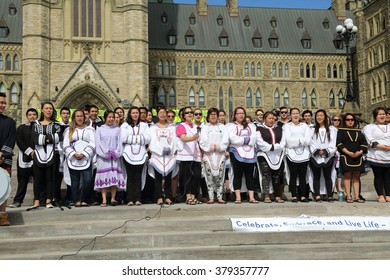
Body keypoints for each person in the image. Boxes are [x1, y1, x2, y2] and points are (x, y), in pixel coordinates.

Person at [30, 102, 62, 209]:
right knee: (38, 178)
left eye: (51, 109)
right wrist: (49, 139)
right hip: (38, 154)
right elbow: (34, 138)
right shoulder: (35, 124)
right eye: (46, 108)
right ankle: (37, 200)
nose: (49, 110)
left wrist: (42, 139)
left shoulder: (56, 125)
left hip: (52, 154)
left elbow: (58, 137)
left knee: (50, 178)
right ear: (42, 110)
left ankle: (49, 200)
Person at [63, 110, 96, 207]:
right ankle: (76, 200)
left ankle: (84, 199)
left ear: (84, 117)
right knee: (75, 180)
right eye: (77, 116)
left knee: (88, 179)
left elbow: (93, 143)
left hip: (86, 158)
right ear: (74, 118)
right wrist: (73, 154)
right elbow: (66, 144)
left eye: (81, 116)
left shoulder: (90, 130)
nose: (79, 118)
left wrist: (84, 153)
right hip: (73, 158)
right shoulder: (69, 130)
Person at [94, 110, 125, 207]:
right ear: (105, 118)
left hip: (114, 157)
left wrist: (116, 152)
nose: (111, 119)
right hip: (104, 157)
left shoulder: (118, 129)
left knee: (113, 177)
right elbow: (98, 142)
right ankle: (104, 199)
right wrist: (106, 152)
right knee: (104, 177)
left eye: (113, 117)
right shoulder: (99, 129)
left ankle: (113, 198)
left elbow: (119, 142)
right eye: (109, 117)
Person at [227, 106, 258, 204]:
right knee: (237, 174)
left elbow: (253, 138)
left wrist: (242, 140)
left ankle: (251, 197)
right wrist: (246, 140)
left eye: (242, 113)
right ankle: (238, 197)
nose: (241, 115)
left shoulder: (251, 126)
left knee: (249, 175)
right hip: (236, 152)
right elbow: (233, 139)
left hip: (249, 153)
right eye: (238, 113)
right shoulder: (231, 126)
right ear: (235, 115)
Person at [121, 106, 151, 206]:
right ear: (130, 114)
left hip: (141, 153)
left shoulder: (144, 125)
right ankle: (129, 199)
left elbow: (147, 138)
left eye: (137, 113)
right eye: (133, 113)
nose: (135, 115)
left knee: (138, 176)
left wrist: (132, 139)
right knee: (130, 176)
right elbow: (123, 138)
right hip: (128, 154)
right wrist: (139, 139)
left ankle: (138, 198)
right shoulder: (125, 125)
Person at [199, 108, 229, 204]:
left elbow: (226, 140)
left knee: (220, 176)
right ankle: (211, 197)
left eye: (215, 114)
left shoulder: (223, 127)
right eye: (211, 114)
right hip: (208, 155)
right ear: (208, 116)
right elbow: (202, 141)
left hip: (220, 154)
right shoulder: (205, 127)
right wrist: (209, 147)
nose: (213, 116)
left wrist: (219, 147)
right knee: (209, 176)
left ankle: (219, 196)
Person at [148, 107, 177, 205]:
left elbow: (174, 140)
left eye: (164, 113)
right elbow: (152, 141)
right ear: (157, 115)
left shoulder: (172, 127)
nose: (163, 114)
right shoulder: (153, 128)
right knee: (158, 177)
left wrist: (170, 149)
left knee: (168, 176)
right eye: (160, 112)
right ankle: (159, 197)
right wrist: (160, 150)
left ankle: (168, 196)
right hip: (158, 155)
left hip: (169, 155)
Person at [9, 108, 38, 208]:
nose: (32, 116)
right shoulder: (21, 128)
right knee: (22, 181)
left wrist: (36, 151)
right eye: (30, 114)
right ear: (27, 116)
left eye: (34, 114)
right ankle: (17, 201)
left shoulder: (40, 127)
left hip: (37, 157)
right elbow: (19, 141)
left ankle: (38, 200)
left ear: (37, 116)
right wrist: (29, 151)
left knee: (38, 181)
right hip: (24, 157)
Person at [336, 113, 368, 203]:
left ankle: (357, 196)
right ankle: (348, 196)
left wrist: (360, 152)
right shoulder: (341, 131)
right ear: (344, 121)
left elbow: (364, 143)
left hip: (358, 156)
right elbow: (339, 144)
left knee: (356, 177)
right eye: (348, 119)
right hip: (346, 156)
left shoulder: (358, 131)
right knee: (347, 176)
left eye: (352, 119)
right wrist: (348, 153)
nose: (350, 121)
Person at [256, 111, 286, 203]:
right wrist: (271, 147)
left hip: (277, 155)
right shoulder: (259, 129)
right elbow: (259, 142)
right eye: (269, 118)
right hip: (264, 154)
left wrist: (276, 147)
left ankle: (277, 195)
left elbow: (283, 141)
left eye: (273, 118)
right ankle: (266, 195)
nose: (272, 120)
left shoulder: (279, 129)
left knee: (276, 175)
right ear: (265, 119)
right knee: (266, 175)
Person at [283, 108, 311, 203]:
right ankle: (294, 195)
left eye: (297, 113)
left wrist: (297, 141)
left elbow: (308, 140)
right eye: (293, 113)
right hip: (291, 154)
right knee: (293, 175)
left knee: (303, 176)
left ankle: (303, 196)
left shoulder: (304, 126)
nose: (295, 115)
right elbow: (288, 141)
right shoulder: (287, 126)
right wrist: (301, 141)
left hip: (304, 154)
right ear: (290, 115)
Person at [362, 107, 390, 202]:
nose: (382, 116)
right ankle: (380, 195)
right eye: (380, 114)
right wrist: (380, 146)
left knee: (388, 176)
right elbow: (369, 139)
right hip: (376, 154)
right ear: (375, 116)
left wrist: (388, 147)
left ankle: (388, 195)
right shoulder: (369, 127)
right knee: (378, 175)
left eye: (383, 114)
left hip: (389, 154)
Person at [309, 109, 337, 202]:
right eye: (317, 116)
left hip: (328, 156)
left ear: (325, 117)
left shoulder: (332, 129)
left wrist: (326, 151)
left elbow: (334, 142)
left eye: (321, 115)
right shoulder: (312, 129)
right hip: (315, 155)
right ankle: (317, 195)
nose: (319, 117)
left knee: (328, 176)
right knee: (316, 176)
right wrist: (317, 151)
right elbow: (311, 142)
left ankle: (329, 195)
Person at [176, 106, 202, 205]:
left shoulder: (195, 126)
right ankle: (188, 196)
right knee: (188, 176)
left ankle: (193, 196)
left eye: (191, 112)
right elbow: (183, 138)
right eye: (187, 113)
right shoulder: (181, 126)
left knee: (197, 175)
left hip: (195, 155)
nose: (190, 114)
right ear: (183, 116)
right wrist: (193, 137)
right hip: (185, 155)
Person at [0, 92, 16, 226]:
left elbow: (10, 140)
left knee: (3, 187)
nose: (3, 105)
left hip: (4, 160)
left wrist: (1, 154)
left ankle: (2, 215)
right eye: (1, 102)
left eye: (4, 103)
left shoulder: (10, 122)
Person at [331, 114, 343, 198]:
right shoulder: (330, 129)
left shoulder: (342, 129)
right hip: (333, 150)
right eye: (335, 120)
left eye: (338, 120)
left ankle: (339, 185)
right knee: (333, 169)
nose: (337, 122)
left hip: (340, 151)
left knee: (339, 170)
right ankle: (333, 186)